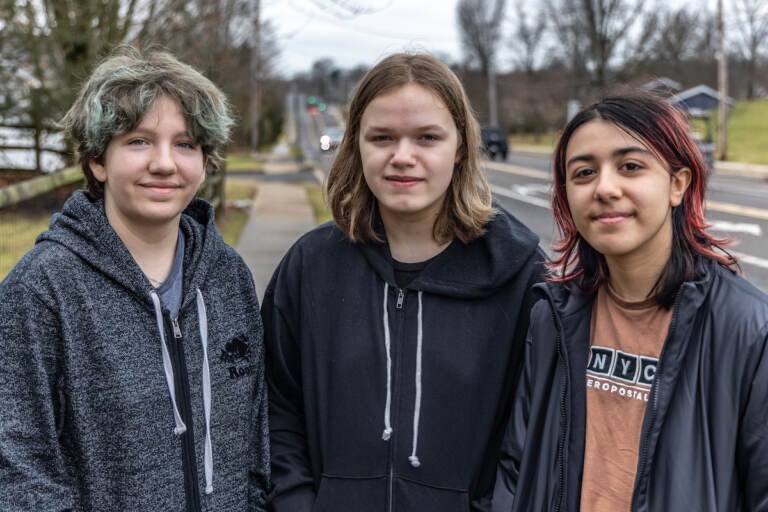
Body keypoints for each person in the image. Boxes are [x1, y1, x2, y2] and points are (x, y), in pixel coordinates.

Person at [261, 52, 545, 512]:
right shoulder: (310, 268)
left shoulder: (521, 275)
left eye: (427, 138)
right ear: (357, 145)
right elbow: (277, 409)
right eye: (382, 138)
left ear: (460, 147)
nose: (402, 157)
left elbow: (531, 434)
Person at [0, 47, 270, 511]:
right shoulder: (42, 289)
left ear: (205, 162)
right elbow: (19, 469)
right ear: (98, 161)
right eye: (139, 141)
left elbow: (256, 440)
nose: (164, 163)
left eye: (185, 144)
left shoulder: (229, 278)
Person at [496, 91, 768, 511]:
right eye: (584, 172)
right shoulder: (551, 316)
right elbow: (516, 470)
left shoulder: (749, 328)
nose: (605, 188)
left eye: (631, 166)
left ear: (678, 184)